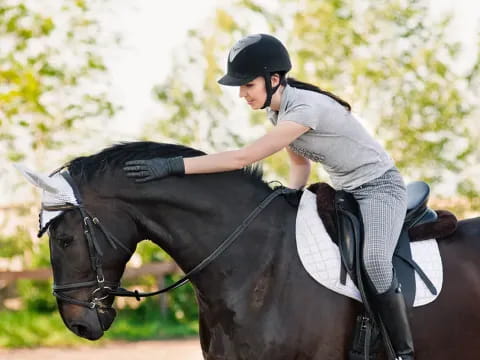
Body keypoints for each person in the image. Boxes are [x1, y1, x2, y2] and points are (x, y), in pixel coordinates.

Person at [123, 34, 414, 359]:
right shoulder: (279, 112)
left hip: (379, 188)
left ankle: (401, 352)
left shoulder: (304, 109)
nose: (242, 94)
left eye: (247, 85)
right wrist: (291, 194)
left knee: (373, 260)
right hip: (345, 191)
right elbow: (299, 165)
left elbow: (241, 159)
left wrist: (174, 166)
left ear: (273, 79)